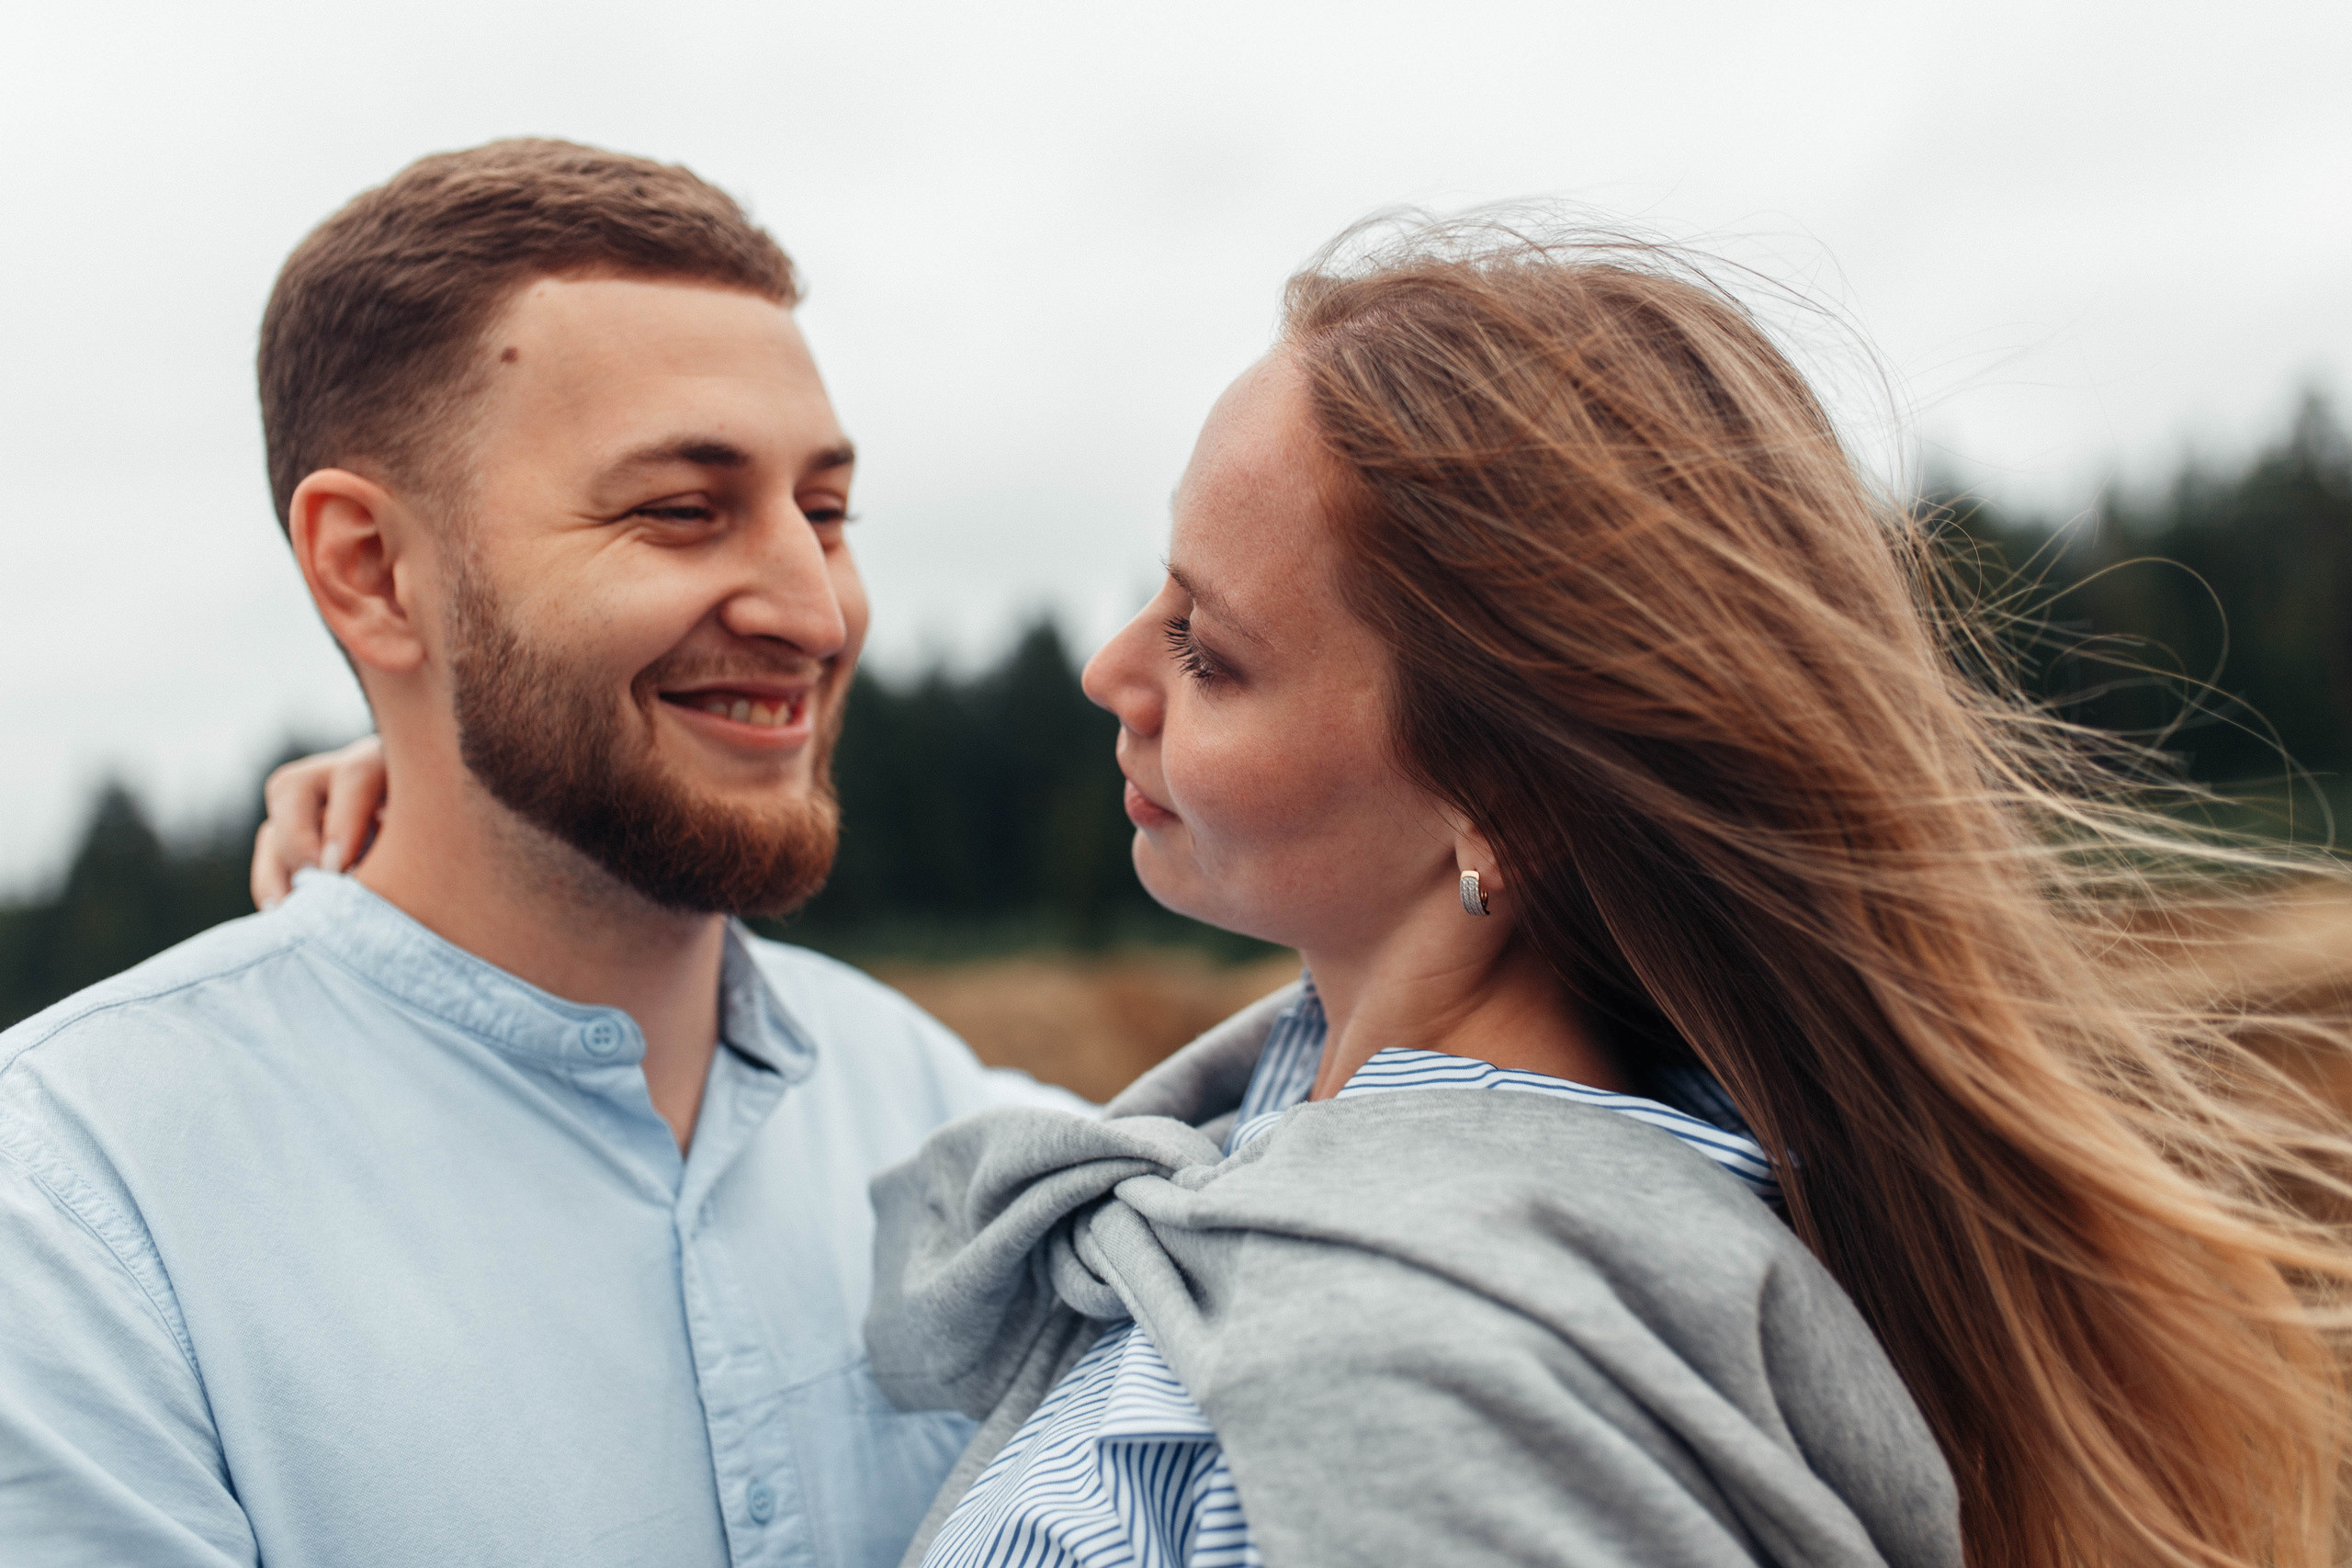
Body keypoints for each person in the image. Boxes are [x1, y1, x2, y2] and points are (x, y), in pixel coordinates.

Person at [254, 225, 2352, 1568]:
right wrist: (453, 803)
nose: (1112, 669)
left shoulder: (1447, 1366)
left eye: (1210, 644)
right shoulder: (1308, 1146)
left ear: (1500, 798)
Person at [0, 139, 1080, 1568]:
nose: (815, 612)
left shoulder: (953, 1126)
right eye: (681, 510)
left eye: (826, 514)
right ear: (374, 571)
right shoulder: (73, 1210)